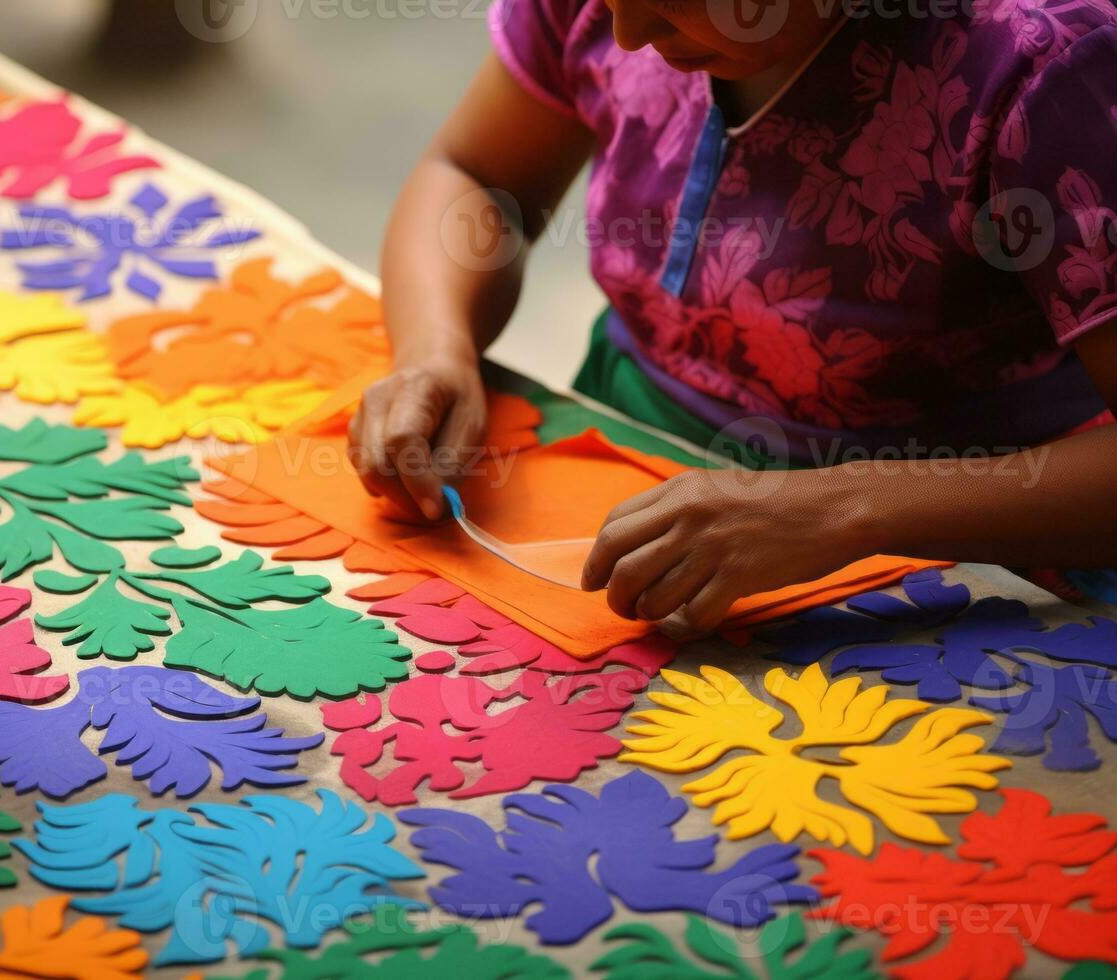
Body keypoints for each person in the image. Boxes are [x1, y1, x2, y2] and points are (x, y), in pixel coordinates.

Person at [348, 0, 1117, 632]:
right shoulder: (617, 13)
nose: (626, 35)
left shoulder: (1044, 66)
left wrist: (853, 507)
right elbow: (477, 176)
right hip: (622, 449)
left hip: (960, 540)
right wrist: (434, 347)